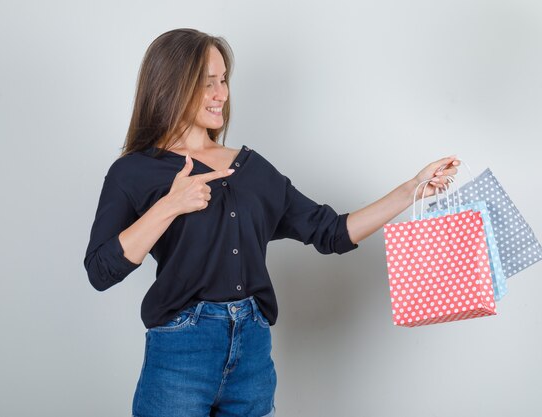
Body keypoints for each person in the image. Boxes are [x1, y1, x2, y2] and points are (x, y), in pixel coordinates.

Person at [83, 28, 459, 417]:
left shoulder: (252, 169)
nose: (222, 94)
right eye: (207, 82)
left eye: (224, 80)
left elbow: (330, 231)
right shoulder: (133, 172)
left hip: (252, 356)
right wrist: (169, 206)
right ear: (172, 84)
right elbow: (100, 270)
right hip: (181, 352)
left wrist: (411, 188)